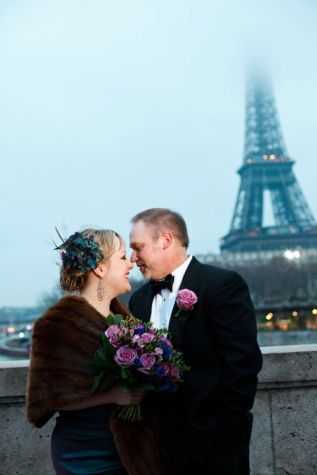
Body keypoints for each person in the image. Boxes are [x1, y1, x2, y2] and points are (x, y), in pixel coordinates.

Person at [129, 208, 263, 475]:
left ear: (165, 240)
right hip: (155, 448)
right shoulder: (139, 300)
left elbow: (243, 364)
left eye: (138, 247)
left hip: (214, 447)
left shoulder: (222, 285)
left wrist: (222, 428)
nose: (133, 258)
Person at [26, 228, 145, 475]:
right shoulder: (56, 326)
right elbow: (47, 400)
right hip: (83, 451)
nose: (130, 263)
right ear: (100, 269)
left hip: (130, 448)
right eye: (122, 257)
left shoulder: (126, 321)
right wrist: (112, 396)